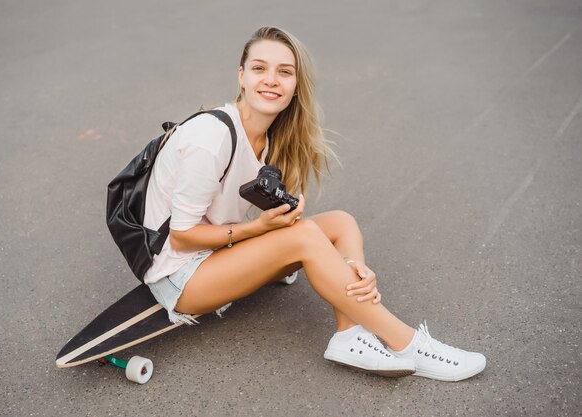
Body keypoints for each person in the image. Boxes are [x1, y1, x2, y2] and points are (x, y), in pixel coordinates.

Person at [142, 26, 486, 382]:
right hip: (180, 275)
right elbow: (182, 236)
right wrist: (258, 229)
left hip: (219, 254)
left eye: (285, 71)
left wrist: (350, 267)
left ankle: (349, 334)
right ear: (241, 76)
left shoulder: (269, 137)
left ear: (295, 84)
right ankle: (409, 343)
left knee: (341, 222)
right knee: (304, 236)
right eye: (260, 68)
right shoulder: (210, 139)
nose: (271, 80)